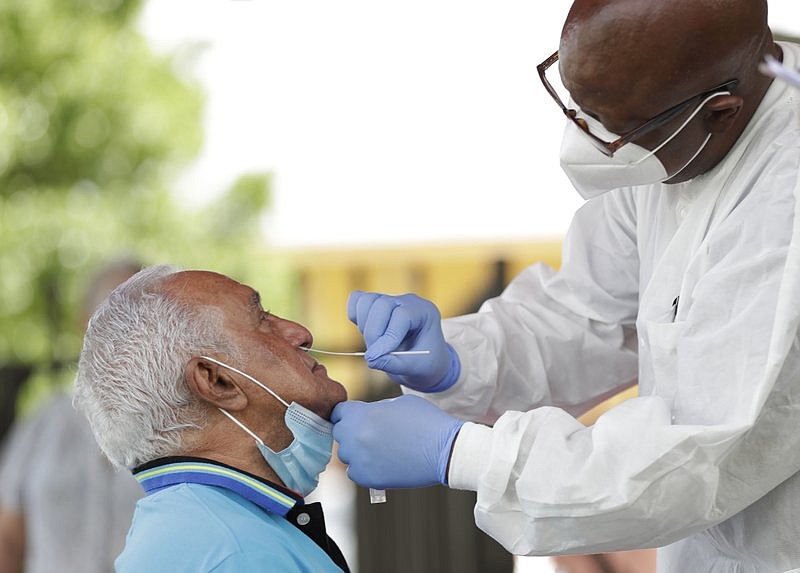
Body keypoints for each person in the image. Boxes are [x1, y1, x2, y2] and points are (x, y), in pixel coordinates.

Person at [330, 0, 800, 571]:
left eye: (611, 128)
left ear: (720, 111)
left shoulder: (783, 209)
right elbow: (589, 316)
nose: (585, 138)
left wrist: (463, 454)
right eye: (577, 105)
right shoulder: (670, 137)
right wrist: (460, 361)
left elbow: (694, 460)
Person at [72, 265, 350, 573]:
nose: (301, 334)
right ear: (216, 381)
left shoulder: (197, 531)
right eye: (263, 320)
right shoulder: (237, 553)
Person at [0, 259, 144, 573]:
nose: (127, 328)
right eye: (112, 312)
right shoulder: (45, 420)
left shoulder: (180, 428)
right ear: (85, 321)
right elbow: (7, 533)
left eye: (143, 316)